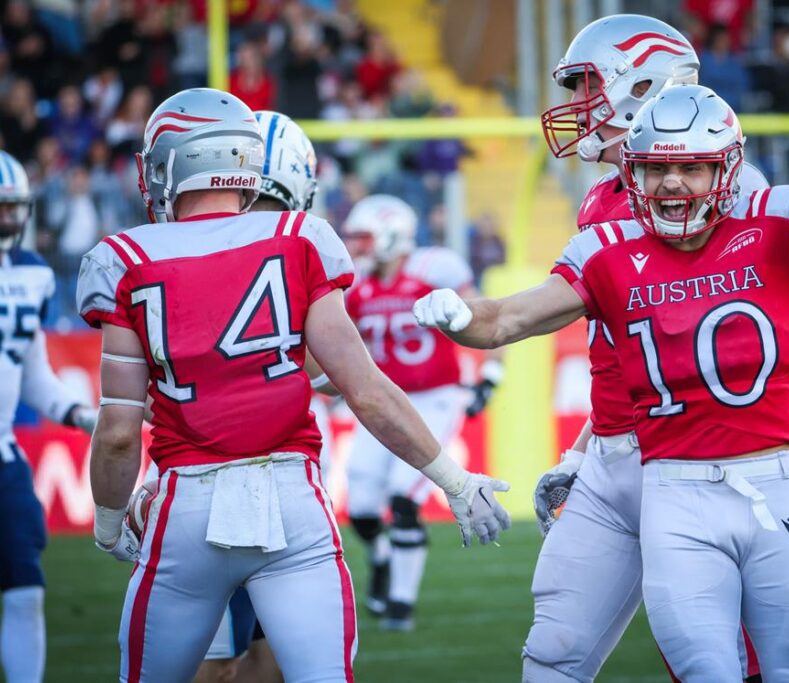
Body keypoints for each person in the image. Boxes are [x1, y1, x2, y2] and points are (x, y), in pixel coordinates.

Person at [414, 84, 789, 681]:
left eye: (692, 168)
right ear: (633, 172)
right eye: (655, 170)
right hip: (674, 494)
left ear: (726, 169)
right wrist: (461, 316)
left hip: (776, 486)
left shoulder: (774, 218)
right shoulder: (606, 247)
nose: (672, 185)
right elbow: (509, 319)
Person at [76, 88, 509, 682]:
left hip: (186, 503)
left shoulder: (123, 259)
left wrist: (106, 519)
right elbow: (368, 391)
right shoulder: (302, 238)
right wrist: (454, 482)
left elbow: (121, 431)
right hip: (293, 499)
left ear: (172, 162)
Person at [532, 15, 764, 682]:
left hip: (689, 455)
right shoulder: (602, 200)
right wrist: (586, 448)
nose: (579, 106)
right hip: (615, 460)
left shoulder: (717, 196)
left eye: (588, 85)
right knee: (554, 648)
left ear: (644, 87)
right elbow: (630, 356)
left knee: (713, 657)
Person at [0, 147, 97, 683]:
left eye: (14, 207)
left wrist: (78, 413)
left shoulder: (33, 272)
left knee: (27, 587)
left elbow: (32, 371)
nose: (7, 219)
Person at [192, 110, 322, 683]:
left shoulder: (182, 247)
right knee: (235, 661)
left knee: (253, 659)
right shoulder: (301, 249)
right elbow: (336, 370)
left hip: (208, 475)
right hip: (248, 479)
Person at [341, 194, 504, 631]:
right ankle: (380, 560)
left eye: (364, 236)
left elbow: (485, 314)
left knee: (403, 499)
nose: (355, 245)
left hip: (436, 398)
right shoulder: (356, 283)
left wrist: (489, 374)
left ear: (392, 234)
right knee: (360, 510)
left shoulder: (435, 269)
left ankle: (400, 607)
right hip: (382, 401)